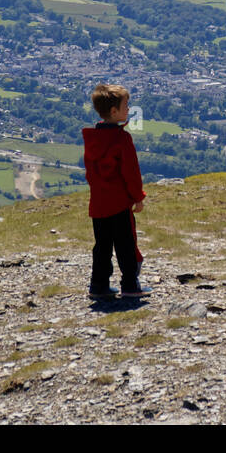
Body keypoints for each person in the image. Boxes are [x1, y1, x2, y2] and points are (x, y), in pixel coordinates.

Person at [81, 83, 151, 299]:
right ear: (114, 111)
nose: (128, 110)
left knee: (101, 247)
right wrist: (137, 198)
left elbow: (91, 173)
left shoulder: (92, 139)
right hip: (120, 204)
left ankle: (98, 285)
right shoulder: (122, 139)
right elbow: (131, 173)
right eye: (126, 106)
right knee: (126, 245)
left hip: (99, 204)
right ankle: (130, 285)